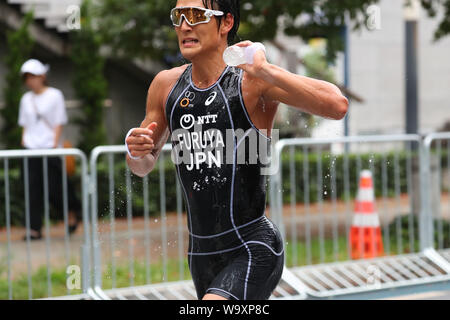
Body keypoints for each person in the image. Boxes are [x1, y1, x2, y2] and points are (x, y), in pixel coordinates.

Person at [125, 0, 348, 300]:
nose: (184, 26)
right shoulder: (166, 86)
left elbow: (337, 105)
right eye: (178, 16)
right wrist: (137, 152)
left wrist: (266, 69)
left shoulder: (252, 81)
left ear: (226, 23)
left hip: (253, 247)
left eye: (196, 15)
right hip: (201, 255)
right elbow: (142, 165)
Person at [18, 59, 82, 240]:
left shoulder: (55, 95)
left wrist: (55, 144)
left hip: (50, 148)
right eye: (26, 77)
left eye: (32, 76)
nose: (29, 81)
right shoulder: (25, 99)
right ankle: (34, 229)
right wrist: (24, 141)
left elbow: (58, 122)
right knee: (32, 189)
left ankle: (72, 213)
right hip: (30, 148)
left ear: (42, 76)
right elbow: (25, 124)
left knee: (56, 188)